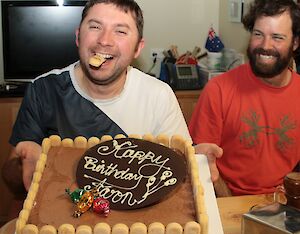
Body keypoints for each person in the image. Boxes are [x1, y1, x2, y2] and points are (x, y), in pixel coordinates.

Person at [2, 0, 190, 196]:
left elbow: (180, 170)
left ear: (137, 48)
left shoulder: (159, 95)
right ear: (78, 37)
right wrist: (21, 164)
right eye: (95, 26)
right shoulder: (43, 90)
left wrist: (198, 164)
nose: (104, 40)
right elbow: (12, 177)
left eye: (121, 31)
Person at [189, 0, 300, 196]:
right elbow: (201, 165)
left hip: (284, 205)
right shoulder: (218, 90)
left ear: (295, 43)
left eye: (277, 37)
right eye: (258, 34)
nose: (265, 46)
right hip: (226, 200)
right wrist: (228, 200)